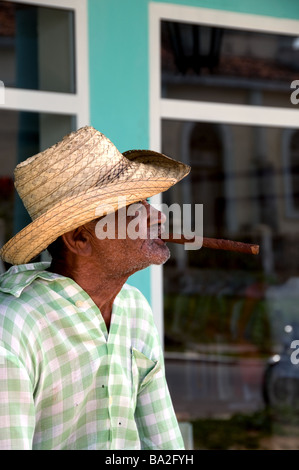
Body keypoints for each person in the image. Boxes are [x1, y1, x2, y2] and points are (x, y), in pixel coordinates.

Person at [0, 126, 190, 450]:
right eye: (134, 207)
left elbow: (164, 443)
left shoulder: (134, 308)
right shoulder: (15, 327)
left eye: (148, 202)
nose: (157, 216)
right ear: (80, 239)